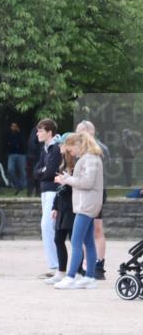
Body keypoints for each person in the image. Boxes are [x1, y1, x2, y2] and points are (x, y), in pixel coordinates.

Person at [52, 132, 104, 289]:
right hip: (87, 205)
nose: (70, 153)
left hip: (86, 206)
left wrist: (67, 179)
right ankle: (89, 277)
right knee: (88, 242)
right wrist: (68, 178)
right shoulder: (91, 158)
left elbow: (87, 183)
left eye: (71, 149)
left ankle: (71, 276)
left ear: (78, 145)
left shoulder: (90, 159)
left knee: (75, 241)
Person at [76, 120, 108, 280]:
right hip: (85, 192)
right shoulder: (82, 149)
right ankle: (85, 264)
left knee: (96, 228)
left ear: (88, 131)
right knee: (85, 231)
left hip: (96, 192)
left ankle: (99, 264)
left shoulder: (99, 149)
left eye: (79, 131)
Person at [33, 119, 63, 279]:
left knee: (47, 226)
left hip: (52, 191)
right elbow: (36, 171)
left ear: (49, 132)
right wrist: (42, 172)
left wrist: (42, 172)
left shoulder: (56, 149)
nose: (37, 133)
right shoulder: (45, 149)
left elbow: (50, 172)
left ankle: (56, 266)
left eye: (40, 131)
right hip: (45, 191)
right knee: (47, 227)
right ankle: (55, 265)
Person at [45, 135, 76, 286]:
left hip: (72, 207)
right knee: (58, 239)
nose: (59, 147)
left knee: (74, 241)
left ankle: (77, 273)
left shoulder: (75, 163)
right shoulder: (63, 163)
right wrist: (54, 207)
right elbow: (59, 188)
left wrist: (64, 182)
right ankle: (61, 272)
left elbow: (73, 186)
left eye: (61, 144)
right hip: (62, 207)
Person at [6, 122, 26, 193]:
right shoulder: (9, 134)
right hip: (11, 154)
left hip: (21, 154)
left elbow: (23, 143)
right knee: (10, 169)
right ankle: (17, 184)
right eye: (12, 126)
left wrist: (19, 133)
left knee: (22, 171)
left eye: (15, 126)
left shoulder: (21, 134)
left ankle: (22, 186)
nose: (13, 128)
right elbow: (7, 143)